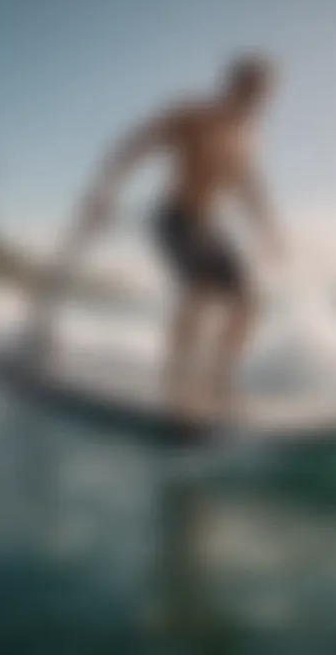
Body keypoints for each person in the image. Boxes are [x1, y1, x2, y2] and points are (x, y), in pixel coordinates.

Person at [55, 56, 282, 419]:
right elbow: (132, 145)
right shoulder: (191, 115)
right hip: (173, 217)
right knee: (202, 288)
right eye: (251, 91)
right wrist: (103, 193)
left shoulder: (247, 138)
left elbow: (248, 185)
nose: (257, 102)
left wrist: (270, 228)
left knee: (249, 303)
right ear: (232, 86)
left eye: (264, 95)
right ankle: (175, 380)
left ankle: (217, 381)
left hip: (208, 226)